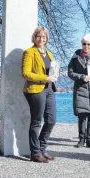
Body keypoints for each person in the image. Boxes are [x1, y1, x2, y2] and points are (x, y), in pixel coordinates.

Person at [22, 26, 57, 163]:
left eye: (43, 37)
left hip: (49, 88)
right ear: (34, 37)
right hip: (35, 89)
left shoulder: (48, 53)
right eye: (38, 36)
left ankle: (42, 149)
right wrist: (44, 78)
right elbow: (25, 73)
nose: (41, 39)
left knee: (51, 120)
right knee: (36, 122)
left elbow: (51, 70)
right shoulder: (29, 52)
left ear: (46, 38)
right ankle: (35, 153)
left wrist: (53, 76)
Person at [68, 34, 90, 149]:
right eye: (84, 44)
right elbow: (70, 73)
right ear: (81, 44)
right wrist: (82, 77)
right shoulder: (75, 57)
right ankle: (81, 139)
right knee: (82, 116)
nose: (86, 46)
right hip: (81, 90)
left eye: (89, 44)